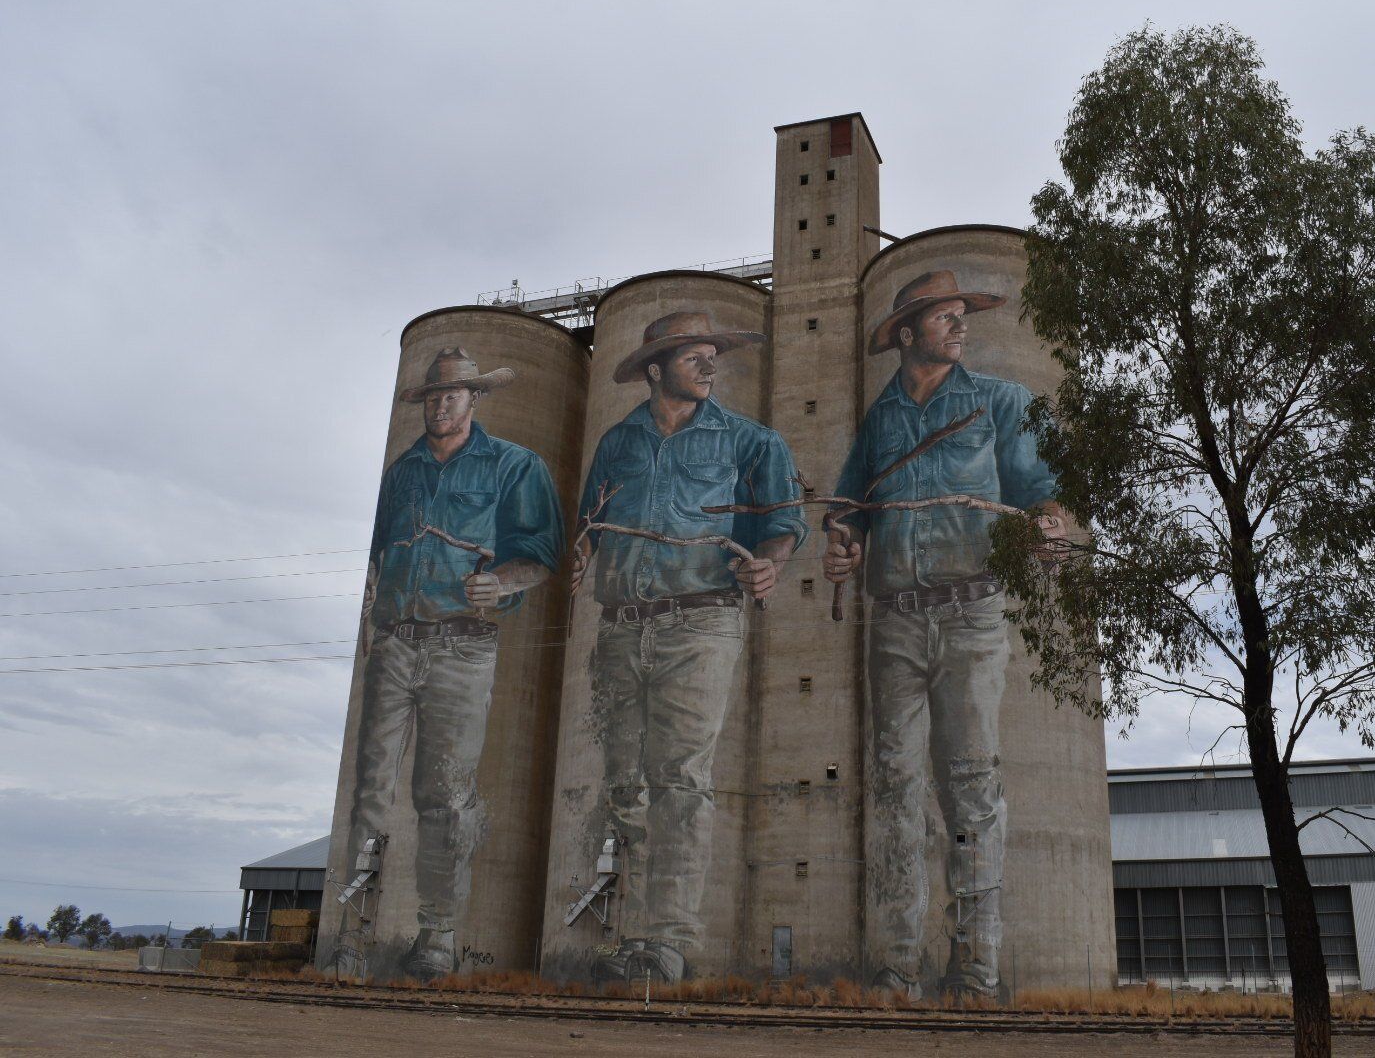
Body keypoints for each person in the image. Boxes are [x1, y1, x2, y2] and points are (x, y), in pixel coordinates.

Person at [823, 271, 1066, 999]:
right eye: (945, 318)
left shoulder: (1000, 403)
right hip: (893, 618)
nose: (960, 327)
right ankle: (897, 965)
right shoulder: (880, 420)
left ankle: (975, 966)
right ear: (906, 333)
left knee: (970, 787)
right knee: (894, 788)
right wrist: (841, 543)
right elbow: (847, 508)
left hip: (970, 614)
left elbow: (1037, 491)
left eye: (964, 316)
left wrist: (1050, 524)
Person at [574, 310, 805, 983]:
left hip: (700, 623)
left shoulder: (751, 441)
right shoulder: (616, 444)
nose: (709, 365)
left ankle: (667, 944)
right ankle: (631, 938)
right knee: (625, 783)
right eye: (694, 356)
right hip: (620, 626)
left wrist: (771, 562)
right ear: (655, 369)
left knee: (679, 779)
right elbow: (590, 522)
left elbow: (782, 524)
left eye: (714, 355)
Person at [348, 346, 564, 981]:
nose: (442, 404)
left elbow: (540, 552)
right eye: (433, 395)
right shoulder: (402, 471)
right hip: (392, 642)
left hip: (461, 645)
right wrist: (368, 620)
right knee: (369, 787)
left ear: (476, 399)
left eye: (455, 394)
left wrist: (501, 585)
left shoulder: (515, 465)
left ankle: (437, 936)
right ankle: (354, 928)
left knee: (442, 794)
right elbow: (378, 553)